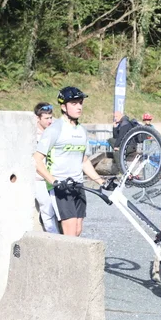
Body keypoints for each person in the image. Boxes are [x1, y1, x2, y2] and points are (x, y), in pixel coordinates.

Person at [34, 86, 106, 237]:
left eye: (80, 103)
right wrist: (54, 181)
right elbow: (37, 160)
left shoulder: (82, 130)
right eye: (74, 103)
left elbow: (84, 161)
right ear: (63, 107)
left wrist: (102, 182)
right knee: (70, 233)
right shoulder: (54, 129)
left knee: (77, 231)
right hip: (61, 186)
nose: (79, 107)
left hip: (78, 184)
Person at [32, 102, 59, 234]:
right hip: (38, 178)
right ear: (38, 118)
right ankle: (54, 237)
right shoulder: (32, 136)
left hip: (53, 176)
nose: (50, 121)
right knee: (47, 208)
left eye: (51, 117)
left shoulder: (52, 133)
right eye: (46, 118)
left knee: (56, 209)